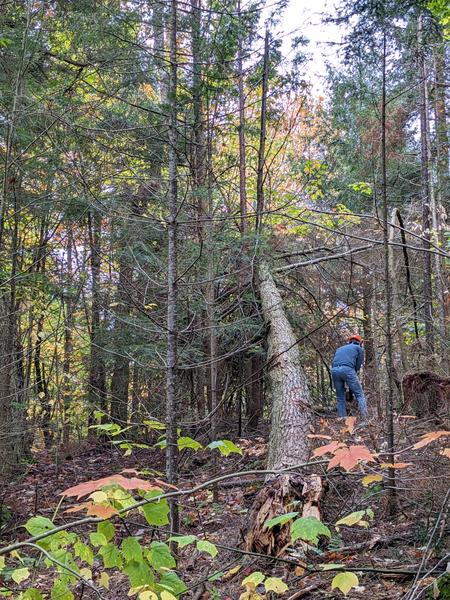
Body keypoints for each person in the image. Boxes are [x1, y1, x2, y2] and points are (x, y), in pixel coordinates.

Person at [331, 334, 368, 420]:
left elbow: (334, 361)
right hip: (347, 369)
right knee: (359, 394)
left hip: (334, 370)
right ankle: (365, 418)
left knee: (340, 396)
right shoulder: (359, 348)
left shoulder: (339, 349)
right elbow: (358, 365)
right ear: (359, 342)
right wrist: (353, 374)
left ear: (350, 341)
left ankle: (341, 418)